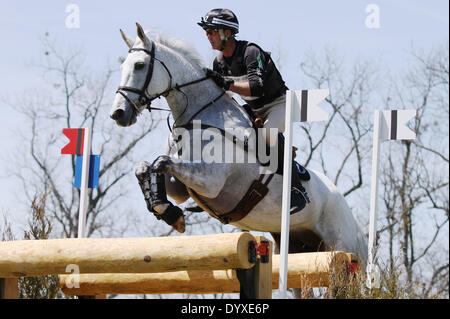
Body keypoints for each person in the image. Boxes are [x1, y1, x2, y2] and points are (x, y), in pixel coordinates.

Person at [198, 8, 310, 214]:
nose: (208, 36)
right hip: (254, 109)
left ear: (228, 33)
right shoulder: (219, 62)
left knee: (267, 136)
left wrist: (226, 83)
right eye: (206, 32)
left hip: (280, 103)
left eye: (212, 31)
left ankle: (297, 190)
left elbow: (256, 86)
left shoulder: (251, 52)